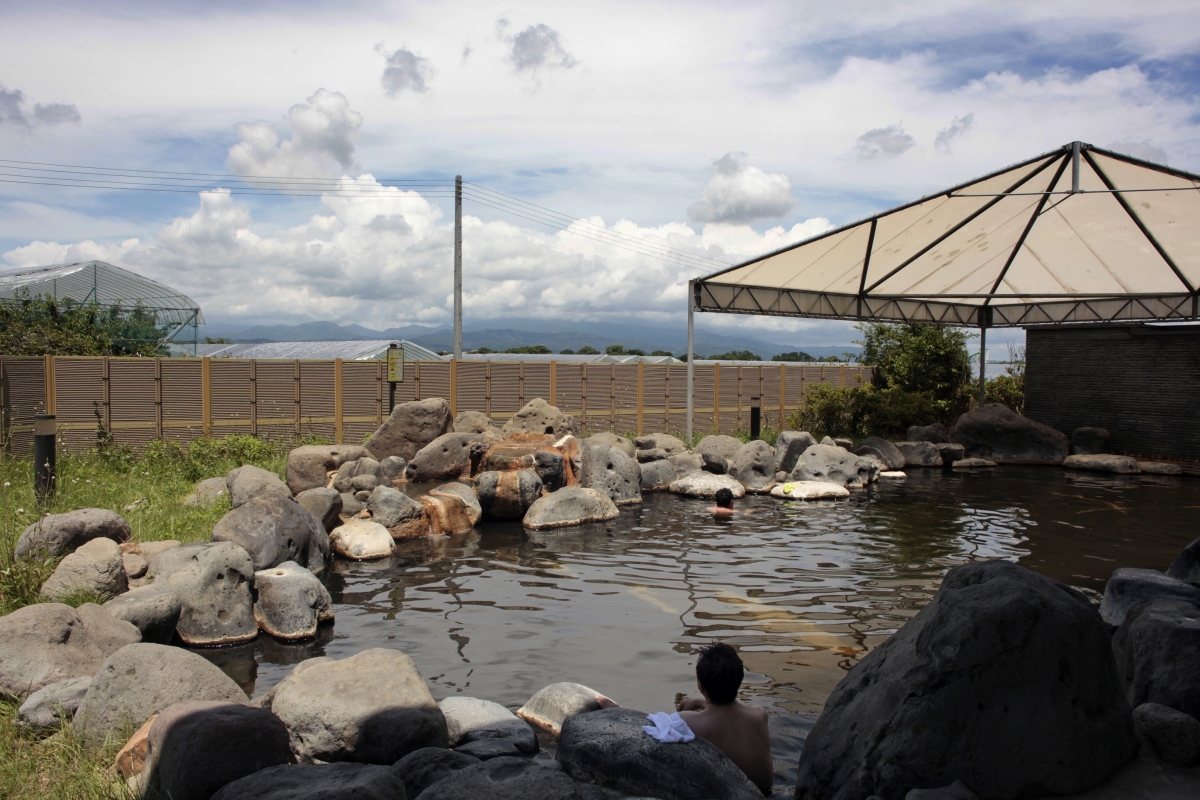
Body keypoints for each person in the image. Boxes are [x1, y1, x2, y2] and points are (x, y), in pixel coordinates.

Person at [676, 643, 773, 794]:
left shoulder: (688, 722)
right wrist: (699, 701)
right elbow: (728, 711)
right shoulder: (759, 715)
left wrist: (699, 702)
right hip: (764, 793)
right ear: (739, 681)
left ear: (700, 686)